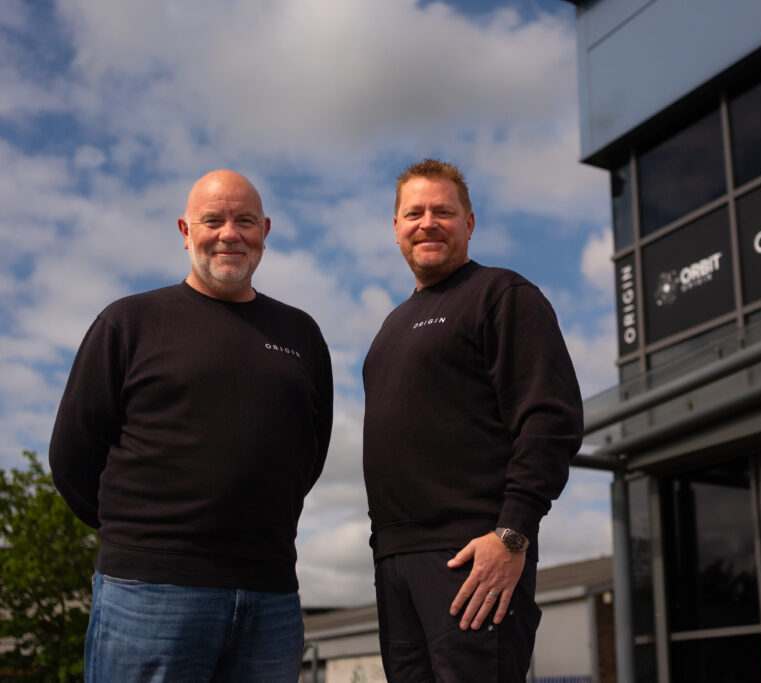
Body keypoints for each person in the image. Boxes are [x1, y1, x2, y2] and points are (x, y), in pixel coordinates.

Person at [49, 169, 333, 682]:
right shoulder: (128, 322)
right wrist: (146, 540)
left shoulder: (301, 333)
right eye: (213, 220)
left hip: (271, 596)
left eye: (245, 220)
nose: (230, 233)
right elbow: (72, 456)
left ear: (265, 229)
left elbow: (309, 453)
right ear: (185, 231)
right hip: (149, 593)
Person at [362, 158, 584, 681]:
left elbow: (549, 420)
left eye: (444, 210)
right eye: (414, 213)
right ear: (396, 228)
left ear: (469, 223)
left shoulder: (503, 296)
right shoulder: (388, 330)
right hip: (394, 562)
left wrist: (512, 534)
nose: (428, 222)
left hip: (472, 558)